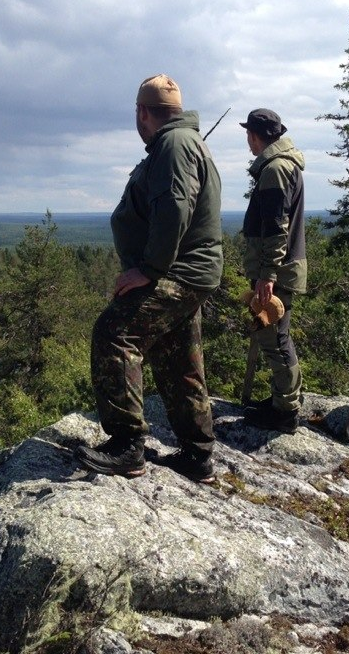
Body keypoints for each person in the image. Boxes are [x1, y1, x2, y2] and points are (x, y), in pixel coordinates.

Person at [75, 74, 223, 483]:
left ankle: (127, 446)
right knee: (180, 359)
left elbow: (175, 207)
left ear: (142, 112)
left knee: (115, 332)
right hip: (190, 272)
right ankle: (198, 455)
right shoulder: (180, 143)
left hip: (178, 272)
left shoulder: (174, 145)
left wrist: (150, 270)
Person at [239, 109, 306, 434]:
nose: (248, 142)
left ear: (255, 135)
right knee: (277, 336)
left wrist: (267, 274)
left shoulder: (276, 170)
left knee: (274, 337)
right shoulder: (282, 166)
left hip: (276, 272)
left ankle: (286, 411)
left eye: (248, 135)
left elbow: (277, 228)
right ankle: (284, 399)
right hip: (280, 270)